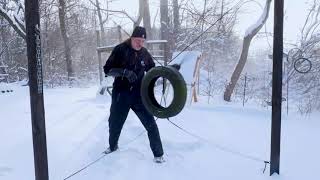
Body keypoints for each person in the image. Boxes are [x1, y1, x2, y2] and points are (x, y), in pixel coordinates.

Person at [103, 26, 165, 163]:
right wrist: (123, 72)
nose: (140, 44)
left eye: (143, 41)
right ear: (131, 38)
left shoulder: (144, 53)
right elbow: (107, 70)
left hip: (139, 95)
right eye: (138, 40)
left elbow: (152, 70)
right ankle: (112, 147)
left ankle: (159, 155)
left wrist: (167, 72)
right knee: (114, 123)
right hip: (121, 94)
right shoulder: (120, 50)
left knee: (151, 124)